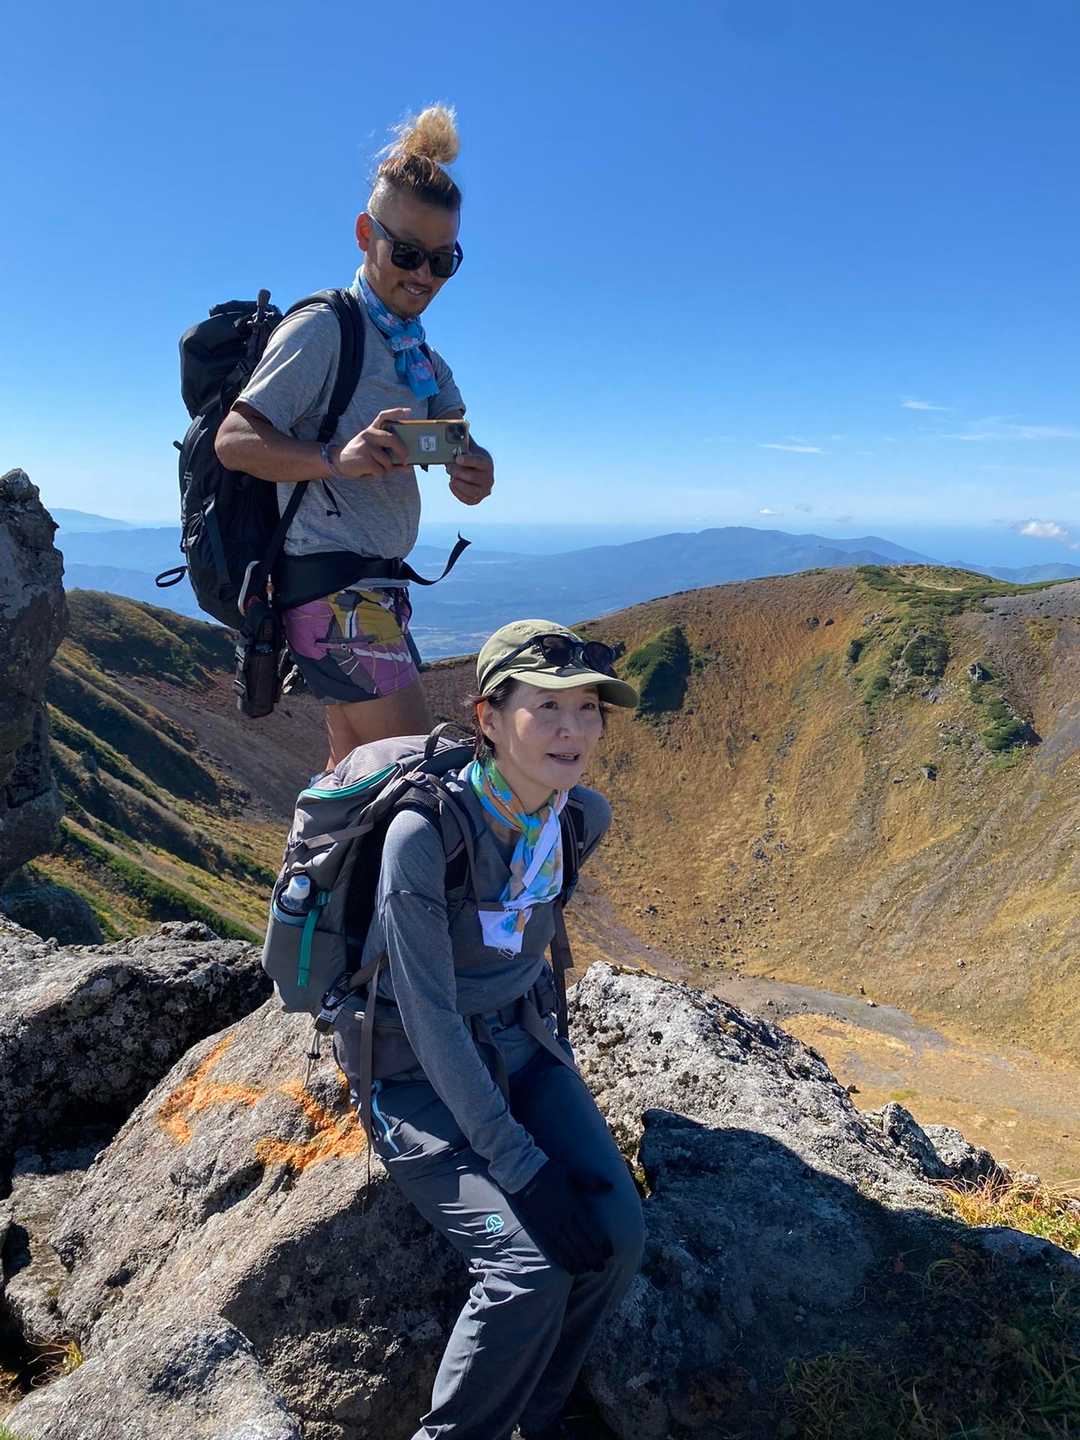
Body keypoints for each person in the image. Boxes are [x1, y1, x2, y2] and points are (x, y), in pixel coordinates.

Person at [333, 619, 646, 1440]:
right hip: (412, 1068)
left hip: (521, 1044)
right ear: (488, 718)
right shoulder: (423, 836)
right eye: (548, 708)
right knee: (527, 1271)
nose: (573, 730)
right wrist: (524, 1167)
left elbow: (526, 944)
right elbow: (430, 1016)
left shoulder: (578, 819)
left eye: (589, 709)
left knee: (618, 1238)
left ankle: (541, 1415)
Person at [215, 105, 494, 768]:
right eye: (407, 253)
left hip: (374, 592)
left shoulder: (419, 357)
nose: (423, 275)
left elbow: (458, 447)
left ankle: (318, 843)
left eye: (442, 260)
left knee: (355, 782)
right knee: (419, 773)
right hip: (334, 591)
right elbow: (234, 439)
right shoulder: (322, 329)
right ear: (367, 234)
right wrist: (334, 458)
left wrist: (473, 470)